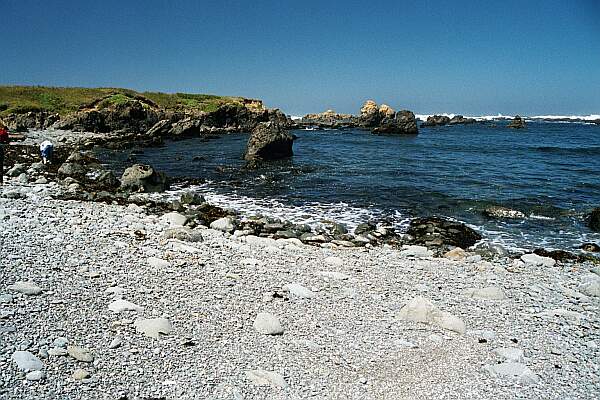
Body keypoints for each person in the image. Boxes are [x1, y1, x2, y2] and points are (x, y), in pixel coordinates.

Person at [0, 119, 9, 185]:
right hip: (1, 147)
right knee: (0, 165)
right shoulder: (4, 133)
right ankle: (1, 181)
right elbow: (7, 141)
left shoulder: (2, 132)